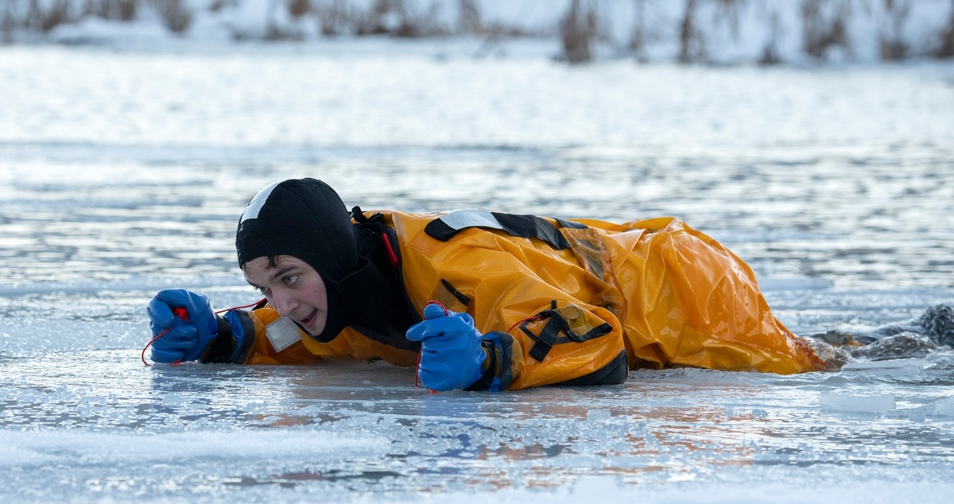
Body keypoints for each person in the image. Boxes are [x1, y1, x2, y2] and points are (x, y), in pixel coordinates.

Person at [148, 177, 837, 391]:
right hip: (613, 278)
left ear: (330, 258)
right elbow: (307, 329)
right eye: (263, 285)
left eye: (290, 276)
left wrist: (492, 359)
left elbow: (596, 336)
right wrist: (224, 335)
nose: (284, 300)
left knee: (807, 365)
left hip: (678, 284)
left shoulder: (456, 264)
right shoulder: (347, 284)